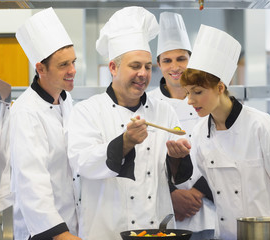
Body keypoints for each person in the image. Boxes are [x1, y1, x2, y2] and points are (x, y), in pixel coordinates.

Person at [67, 6, 192, 240]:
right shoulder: (87, 111)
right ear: (113, 68)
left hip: (157, 230)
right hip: (107, 231)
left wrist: (178, 158)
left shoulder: (163, 111)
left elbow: (175, 176)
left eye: (147, 66)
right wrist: (125, 142)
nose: (143, 74)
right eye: (135, 66)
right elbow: (82, 163)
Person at [180, 24, 270, 240]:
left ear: (220, 87)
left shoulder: (261, 126)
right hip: (227, 235)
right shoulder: (200, 132)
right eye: (187, 93)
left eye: (197, 92)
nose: (190, 100)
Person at [11, 8, 80, 240]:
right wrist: (59, 233)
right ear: (40, 69)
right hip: (44, 231)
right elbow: (31, 181)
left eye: (73, 62)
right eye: (63, 65)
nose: (73, 70)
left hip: (71, 223)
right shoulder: (26, 111)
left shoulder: (67, 100)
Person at [148, 12, 215, 240]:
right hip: (166, 210)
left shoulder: (209, 100)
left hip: (209, 208)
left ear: (191, 59)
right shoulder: (149, 104)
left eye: (181, 59)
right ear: (158, 64)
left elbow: (225, 150)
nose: (174, 66)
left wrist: (198, 191)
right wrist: (172, 194)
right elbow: (146, 157)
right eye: (167, 60)